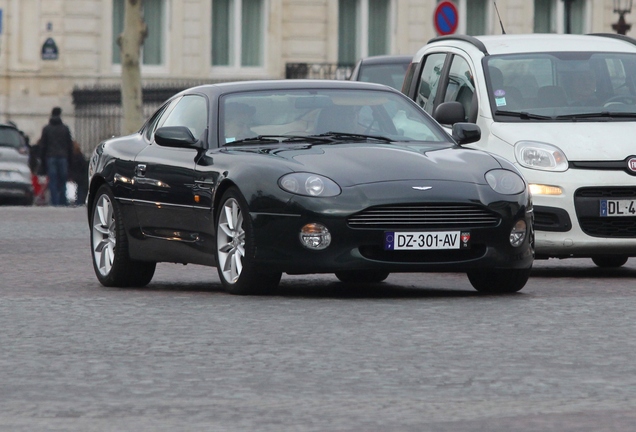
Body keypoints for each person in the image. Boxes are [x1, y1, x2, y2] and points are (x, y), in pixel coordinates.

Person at [39, 106, 74, 206]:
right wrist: (70, 161)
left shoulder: (46, 129)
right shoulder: (65, 129)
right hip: (63, 157)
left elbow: (43, 146)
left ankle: (54, 202)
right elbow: (69, 146)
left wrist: (42, 162)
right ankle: (63, 201)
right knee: (63, 181)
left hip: (50, 157)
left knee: (53, 181)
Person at [69, 141, 89, 206]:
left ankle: (78, 202)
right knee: (80, 189)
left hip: (75, 175)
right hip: (81, 175)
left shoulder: (71, 156)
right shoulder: (79, 155)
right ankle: (80, 202)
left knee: (78, 190)